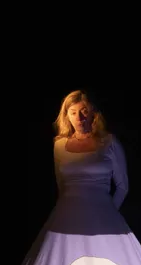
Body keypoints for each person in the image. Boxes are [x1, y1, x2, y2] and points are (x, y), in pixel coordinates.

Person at [50, 89, 129, 220]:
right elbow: (61, 187)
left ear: (93, 113)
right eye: (73, 113)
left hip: (103, 214)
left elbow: (123, 186)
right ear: (67, 116)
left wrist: (109, 214)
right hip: (68, 217)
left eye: (84, 111)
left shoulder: (109, 142)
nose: (79, 118)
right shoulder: (59, 145)